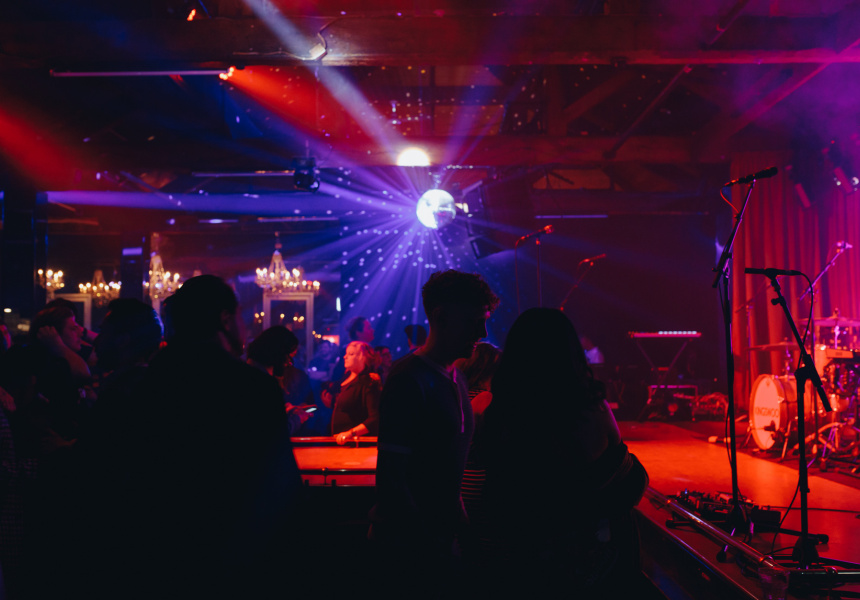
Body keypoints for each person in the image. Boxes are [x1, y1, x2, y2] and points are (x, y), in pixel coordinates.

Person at [76, 275, 303, 599]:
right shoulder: (252, 387)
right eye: (240, 315)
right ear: (225, 319)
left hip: (158, 561)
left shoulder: (144, 385)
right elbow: (280, 489)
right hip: (236, 561)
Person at [481, 308, 649, 597]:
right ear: (571, 353)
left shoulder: (495, 413)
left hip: (519, 561)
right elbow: (630, 480)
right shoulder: (591, 411)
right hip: (584, 563)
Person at [369, 270, 499, 597]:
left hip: (437, 545)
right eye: (474, 321)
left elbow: (446, 474)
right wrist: (428, 547)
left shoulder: (457, 378)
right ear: (441, 317)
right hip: (407, 552)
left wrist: (462, 533)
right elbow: (392, 480)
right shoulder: (408, 378)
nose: (482, 332)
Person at [246, 326, 316, 435]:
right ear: (277, 353)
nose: (289, 363)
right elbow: (275, 432)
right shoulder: (261, 382)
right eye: (288, 356)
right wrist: (298, 418)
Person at [331, 341, 382, 444]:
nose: (345, 357)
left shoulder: (368, 382)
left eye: (351, 354)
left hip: (356, 444)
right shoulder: (344, 379)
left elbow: (375, 418)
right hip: (340, 442)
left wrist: (351, 433)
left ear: (362, 357)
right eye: (346, 353)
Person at [331, 316, 375, 382]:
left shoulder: (368, 349)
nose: (372, 330)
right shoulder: (349, 351)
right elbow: (338, 375)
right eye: (369, 328)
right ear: (358, 333)